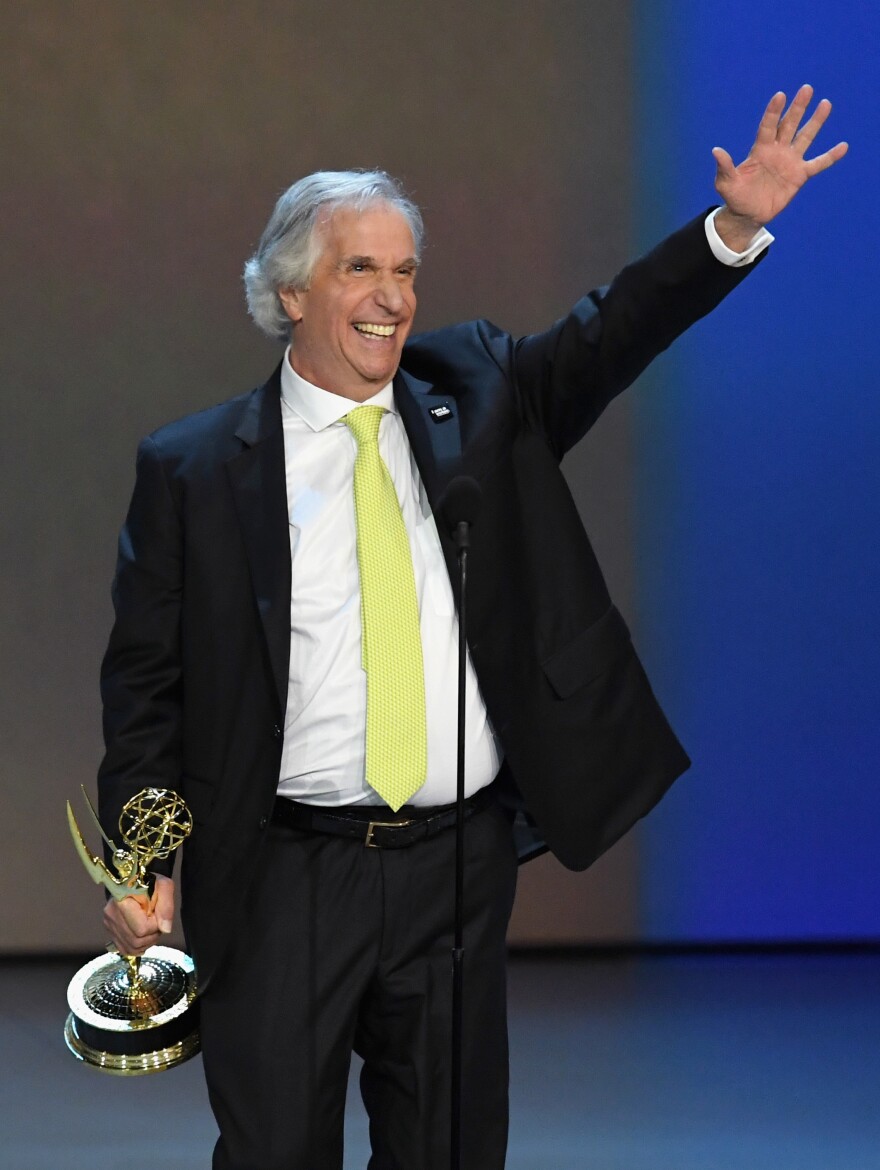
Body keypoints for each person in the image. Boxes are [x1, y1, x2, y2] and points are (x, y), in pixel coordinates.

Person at [98, 87, 846, 1169]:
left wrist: (728, 230)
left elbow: (608, 332)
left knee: (448, 1150)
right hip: (280, 874)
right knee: (272, 1152)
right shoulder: (196, 468)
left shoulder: (479, 391)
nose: (392, 297)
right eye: (362, 268)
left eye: (405, 271)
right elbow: (145, 688)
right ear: (290, 289)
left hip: (455, 864)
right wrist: (142, 860)